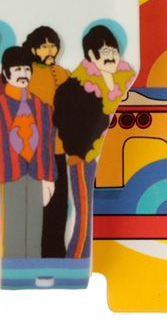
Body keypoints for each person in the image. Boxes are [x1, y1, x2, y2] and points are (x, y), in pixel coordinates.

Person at [54, 25, 135, 259]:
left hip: (105, 154)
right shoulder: (78, 85)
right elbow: (66, 120)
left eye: (114, 51)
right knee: (84, 208)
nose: (111, 56)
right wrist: (75, 150)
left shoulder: (123, 78)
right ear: (91, 54)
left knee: (89, 207)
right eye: (105, 51)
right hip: (83, 155)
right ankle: (77, 257)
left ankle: (78, 256)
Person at [0, 47, 56, 259]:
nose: (23, 73)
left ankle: (31, 267)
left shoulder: (43, 108)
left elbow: (48, 145)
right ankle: (13, 268)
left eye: (26, 69)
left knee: (34, 226)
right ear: (6, 73)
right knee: (13, 226)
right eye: (17, 69)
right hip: (8, 175)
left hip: (37, 174)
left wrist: (49, 179)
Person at [22, 26, 71, 258]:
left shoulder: (63, 73)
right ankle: (35, 251)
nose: (50, 50)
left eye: (53, 45)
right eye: (44, 46)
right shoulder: (27, 73)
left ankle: (56, 252)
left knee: (59, 204)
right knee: (38, 203)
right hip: (34, 151)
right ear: (33, 49)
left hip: (59, 149)